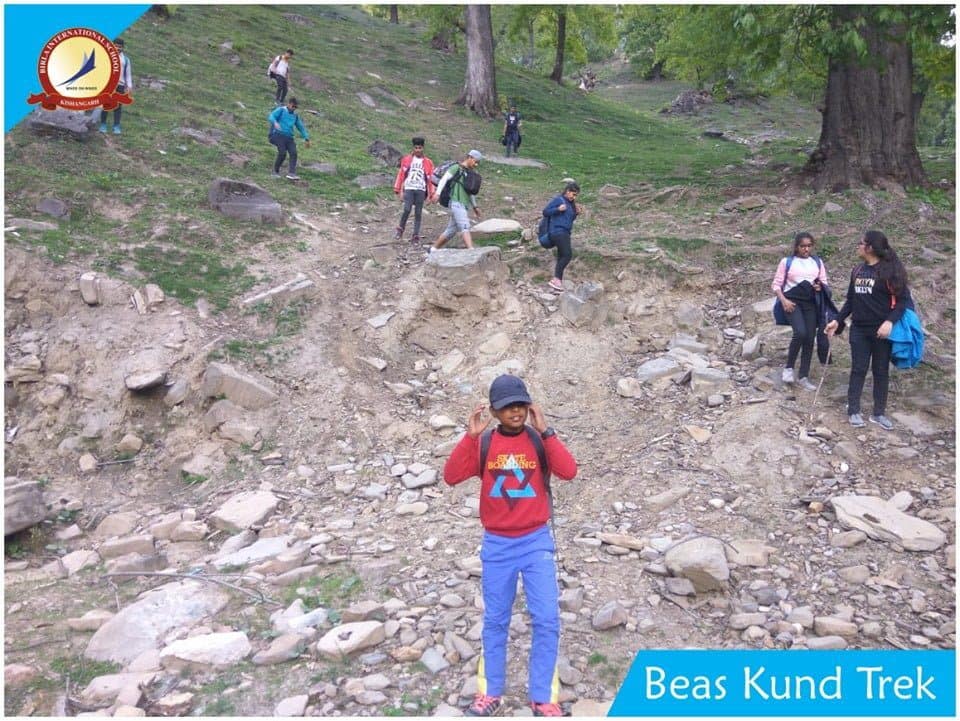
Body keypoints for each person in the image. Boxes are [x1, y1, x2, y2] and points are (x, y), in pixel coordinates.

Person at [443, 374, 577, 717]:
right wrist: (470, 437)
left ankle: (543, 696)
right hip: (497, 544)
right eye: (506, 407)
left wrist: (547, 432)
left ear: (529, 406)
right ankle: (490, 693)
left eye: (520, 405)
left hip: (536, 542)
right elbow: (451, 476)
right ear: (494, 412)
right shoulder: (485, 444)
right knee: (496, 620)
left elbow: (569, 471)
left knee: (547, 619)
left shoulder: (538, 441)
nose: (515, 412)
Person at [825, 230, 912, 430]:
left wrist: (889, 322)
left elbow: (903, 301)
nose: (858, 246)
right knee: (858, 368)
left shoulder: (890, 271)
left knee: (881, 371)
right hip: (859, 330)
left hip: (882, 331)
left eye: (861, 243)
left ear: (870, 247)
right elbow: (851, 300)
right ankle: (853, 410)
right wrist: (837, 320)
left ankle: (879, 413)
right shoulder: (857, 270)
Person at [772, 232, 829, 391]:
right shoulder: (787, 262)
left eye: (809, 246)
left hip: (810, 302)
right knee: (800, 332)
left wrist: (819, 286)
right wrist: (784, 301)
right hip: (792, 302)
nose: (806, 249)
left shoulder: (817, 262)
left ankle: (803, 376)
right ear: (797, 247)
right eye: (803, 246)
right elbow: (776, 284)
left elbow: (824, 282)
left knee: (810, 338)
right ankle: (789, 368)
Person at [428, 150, 482, 254]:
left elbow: (470, 192)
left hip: (464, 204)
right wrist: (437, 194)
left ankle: (432, 250)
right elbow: (444, 179)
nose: (476, 165)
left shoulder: (469, 173)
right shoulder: (456, 168)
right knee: (465, 226)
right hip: (456, 202)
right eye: (475, 162)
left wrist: (475, 207)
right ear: (470, 157)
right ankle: (471, 252)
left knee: (451, 230)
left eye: (478, 163)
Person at [540, 182, 582, 292]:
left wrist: (576, 213)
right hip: (558, 231)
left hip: (565, 232)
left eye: (576, 195)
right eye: (573, 194)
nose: (574, 197)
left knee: (561, 256)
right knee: (567, 255)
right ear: (567, 191)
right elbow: (545, 212)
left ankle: (557, 283)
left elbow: (568, 219)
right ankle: (556, 280)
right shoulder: (559, 200)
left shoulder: (571, 204)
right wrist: (558, 209)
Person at [393, 137, 435, 242]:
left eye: (420, 148)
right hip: (409, 188)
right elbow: (401, 175)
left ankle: (415, 235)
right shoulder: (406, 159)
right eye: (416, 148)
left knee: (418, 213)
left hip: (421, 189)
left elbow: (431, 179)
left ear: (423, 148)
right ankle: (400, 229)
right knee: (407, 209)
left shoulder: (428, 162)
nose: (418, 150)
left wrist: (431, 194)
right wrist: (399, 190)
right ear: (413, 148)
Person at [267, 97, 310, 180]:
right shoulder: (281, 110)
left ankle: (291, 173)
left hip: (289, 137)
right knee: (282, 152)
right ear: (289, 104)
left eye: (296, 107)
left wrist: (306, 138)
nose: (294, 108)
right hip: (277, 135)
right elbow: (271, 116)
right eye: (293, 106)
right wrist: (275, 123)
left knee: (294, 153)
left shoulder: (295, 116)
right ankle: (275, 171)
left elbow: (300, 127)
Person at [100, 38, 132, 135]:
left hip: (120, 85)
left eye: (120, 47)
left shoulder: (125, 60)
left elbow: (128, 74)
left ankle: (116, 126)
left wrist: (129, 86)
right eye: (116, 46)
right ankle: (103, 124)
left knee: (118, 106)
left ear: (123, 48)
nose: (118, 48)